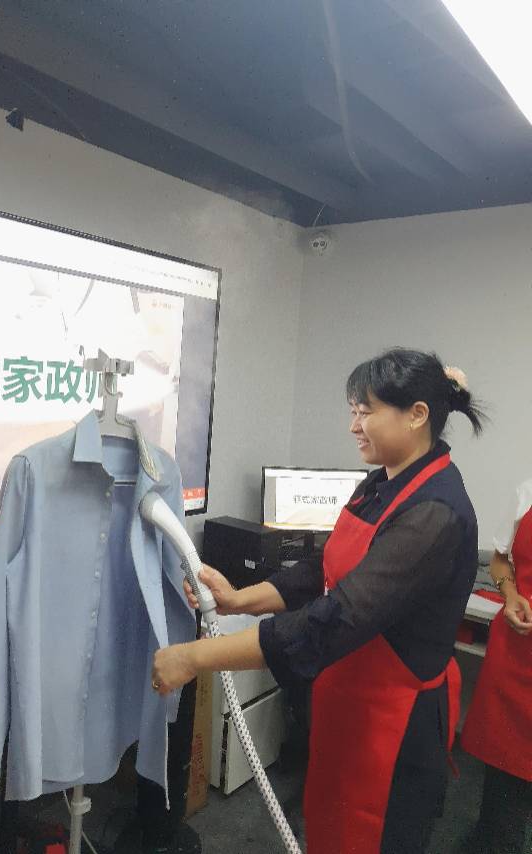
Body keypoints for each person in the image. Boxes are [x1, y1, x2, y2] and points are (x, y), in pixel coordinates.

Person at [152, 348, 485, 854]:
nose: (354, 426)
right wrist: (238, 600)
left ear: (417, 414)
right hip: (348, 703)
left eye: (366, 412)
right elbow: (322, 568)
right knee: (331, 825)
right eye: (353, 411)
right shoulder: (383, 480)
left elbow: (333, 620)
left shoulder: (434, 513)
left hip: (392, 724)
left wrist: (195, 657)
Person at [460, 480, 532, 854]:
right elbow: (500, 560)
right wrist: (511, 593)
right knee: (502, 772)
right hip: (517, 649)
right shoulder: (528, 491)